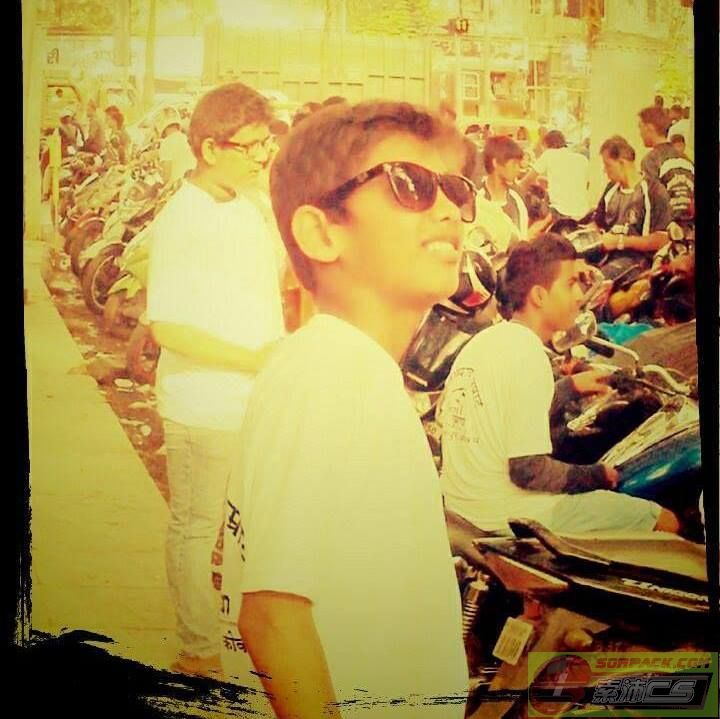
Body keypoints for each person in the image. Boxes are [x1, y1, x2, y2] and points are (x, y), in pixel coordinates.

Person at [220, 100, 473, 717]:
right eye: (411, 184)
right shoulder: (332, 371)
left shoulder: (345, 368)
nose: (448, 209)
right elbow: (272, 619)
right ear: (321, 233)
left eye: (456, 189)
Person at [146, 82, 284, 678]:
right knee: (196, 530)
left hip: (253, 403)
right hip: (203, 405)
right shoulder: (184, 219)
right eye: (252, 146)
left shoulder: (248, 207)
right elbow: (168, 327)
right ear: (209, 148)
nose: (263, 155)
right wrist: (253, 359)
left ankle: (242, 641)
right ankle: (199, 651)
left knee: (250, 532)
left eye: (266, 142)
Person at [438, 234, 680, 535]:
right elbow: (527, 470)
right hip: (507, 514)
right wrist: (596, 475)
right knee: (663, 520)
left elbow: (508, 411)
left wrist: (571, 387)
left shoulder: (488, 341)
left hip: (464, 506)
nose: (579, 295)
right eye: (570, 284)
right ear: (539, 296)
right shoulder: (527, 355)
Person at [593, 135, 673, 267]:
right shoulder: (611, 188)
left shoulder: (653, 191)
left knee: (601, 276)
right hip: (607, 257)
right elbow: (598, 223)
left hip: (637, 262)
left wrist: (620, 242)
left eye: (608, 165)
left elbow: (662, 239)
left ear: (622, 163)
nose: (605, 171)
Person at [519, 129, 591, 221]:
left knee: (531, 204)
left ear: (546, 145)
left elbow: (526, 181)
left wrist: (516, 190)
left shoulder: (549, 154)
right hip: (583, 213)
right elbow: (585, 184)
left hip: (560, 213)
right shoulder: (582, 159)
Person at [637, 106, 694, 222]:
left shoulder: (650, 160)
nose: (640, 133)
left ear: (649, 128)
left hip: (666, 227)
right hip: (689, 226)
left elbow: (653, 201)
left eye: (640, 127)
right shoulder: (686, 159)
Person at [477, 135, 532, 246]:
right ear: (496, 163)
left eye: (519, 164)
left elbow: (522, 238)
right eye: (514, 164)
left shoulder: (517, 199)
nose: (518, 169)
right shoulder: (477, 199)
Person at [157, 110, 196, 186]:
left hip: (182, 185)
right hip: (195, 178)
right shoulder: (185, 137)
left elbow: (166, 177)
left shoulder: (165, 144)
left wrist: (161, 172)